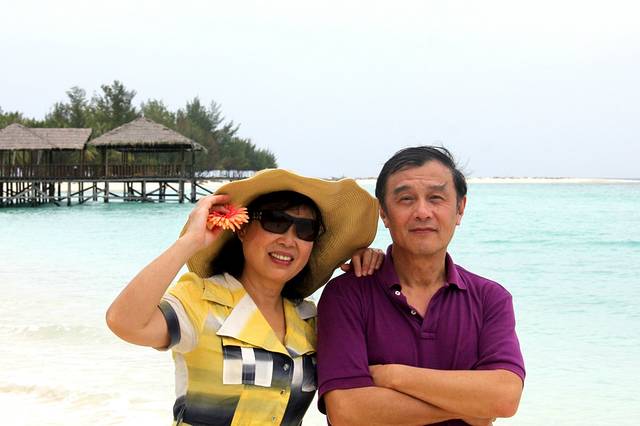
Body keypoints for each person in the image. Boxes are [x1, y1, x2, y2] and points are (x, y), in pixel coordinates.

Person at [106, 169, 381, 425]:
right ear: (242, 228)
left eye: (305, 229)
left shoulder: (309, 319)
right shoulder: (201, 300)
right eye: (276, 221)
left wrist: (373, 275)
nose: (289, 240)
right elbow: (125, 322)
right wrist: (190, 241)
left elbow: (365, 375)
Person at [317, 146, 526, 426]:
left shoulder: (490, 298)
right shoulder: (347, 294)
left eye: (436, 198)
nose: (422, 212)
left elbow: (505, 397)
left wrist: (392, 376)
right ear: (384, 213)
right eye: (406, 199)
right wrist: (472, 407)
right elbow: (347, 412)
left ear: (460, 209)